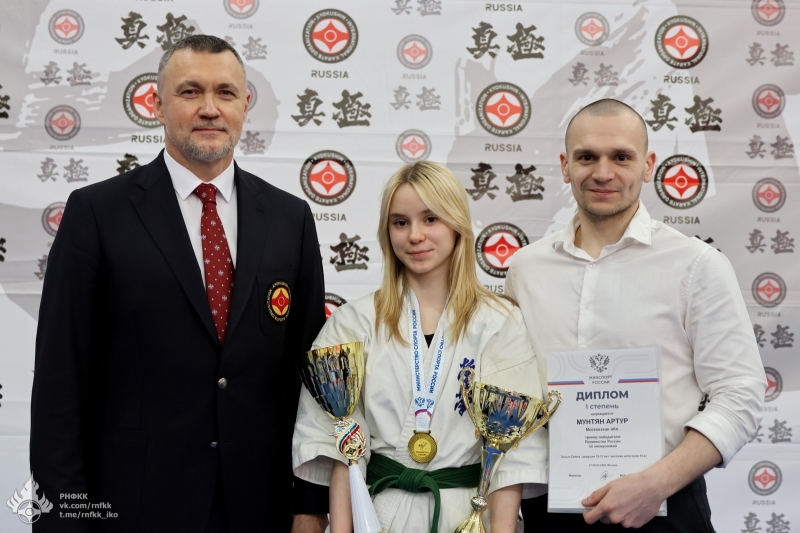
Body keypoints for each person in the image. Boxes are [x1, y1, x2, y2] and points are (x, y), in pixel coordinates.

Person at [30, 35, 327, 532]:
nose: (210, 108)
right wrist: (63, 520)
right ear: (157, 104)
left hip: (261, 509)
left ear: (245, 105)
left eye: (225, 93)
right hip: (134, 509)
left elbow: (310, 378)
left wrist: (310, 505)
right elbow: (61, 385)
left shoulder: (289, 218)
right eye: (190, 91)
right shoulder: (97, 214)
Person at [506, 99, 766, 532]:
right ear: (565, 166)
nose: (603, 172)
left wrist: (656, 483)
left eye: (621, 157)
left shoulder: (695, 265)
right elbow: (511, 390)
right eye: (586, 157)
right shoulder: (525, 269)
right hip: (548, 510)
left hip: (665, 508)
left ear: (648, 166)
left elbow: (740, 394)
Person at [292, 161, 549, 533]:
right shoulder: (353, 322)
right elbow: (341, 448)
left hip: (467, 516)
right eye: (400, 222)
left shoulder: (499, 322)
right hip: (376, 514)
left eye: (430, 219)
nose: (415, 235)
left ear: (456, 224)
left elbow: (512, 454)